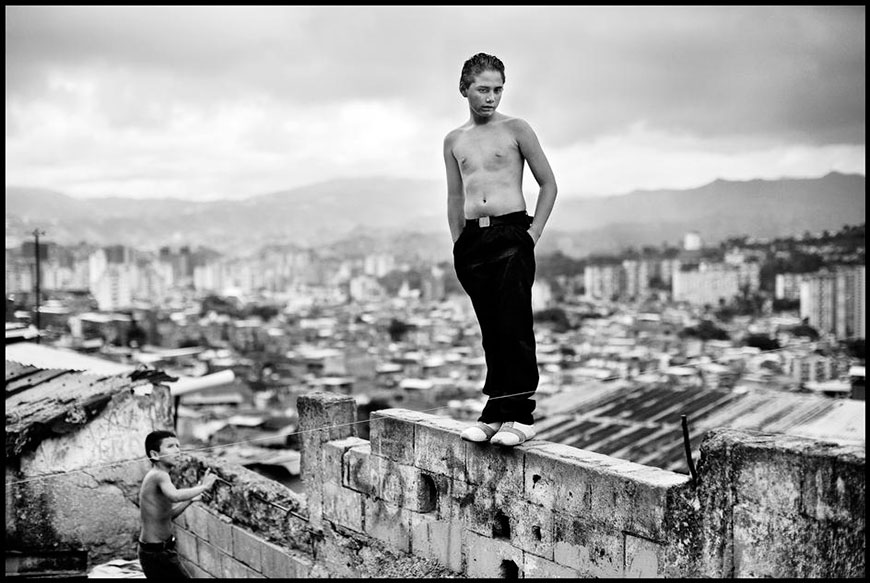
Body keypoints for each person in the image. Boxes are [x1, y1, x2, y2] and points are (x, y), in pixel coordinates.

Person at [444, 52, 557, 447]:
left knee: (514, 324)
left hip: (512, 234)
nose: (491, 98)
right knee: (491, 329)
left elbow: (549, 184)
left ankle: (520, 415)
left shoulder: (517, 129)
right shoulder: (454, 140)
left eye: (497, 90)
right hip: (474, 240)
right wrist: (459, 244)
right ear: (465, 89)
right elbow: (454, 196)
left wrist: (531, 235)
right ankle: (495, 411)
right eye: (483, 89)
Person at [138, 430, 216, 579]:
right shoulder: (159, 475)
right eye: (170, 446)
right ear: (155, 455)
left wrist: (190, 500)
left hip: (159, 551)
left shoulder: (161, 476)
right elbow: (174, 496)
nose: (177, 450)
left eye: (178, 446)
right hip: (156, 553)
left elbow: (169, 515)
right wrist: (203, 487)